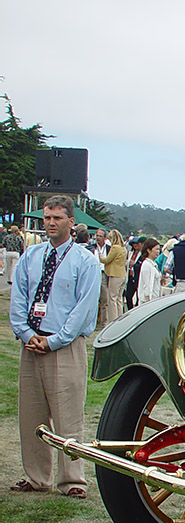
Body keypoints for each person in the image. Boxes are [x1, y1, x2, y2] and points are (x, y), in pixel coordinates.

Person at [8, 195, 101, 498]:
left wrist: (55, 340)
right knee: (31, 417)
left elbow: (84, 309)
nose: (50, 223)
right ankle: (36, 478)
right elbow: (19, 299)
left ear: (71, 222)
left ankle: (72, 481)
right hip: (31, 344)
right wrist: (25, 333)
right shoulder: (31, 256)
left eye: (57, 218)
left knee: (67, 418)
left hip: (65, 347)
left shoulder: (84, 261)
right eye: (47, 217)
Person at [98, 229, 128, 325]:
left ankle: (113, 320)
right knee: (119, 298)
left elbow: (107, 260)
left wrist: (99, 257)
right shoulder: (123, 248)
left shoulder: (115, 248)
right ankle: (120, 318)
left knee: (112, 298)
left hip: (115, 275)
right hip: (123, 274)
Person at [136, 238, 163, 303]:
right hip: (148, 301)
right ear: (148, 250)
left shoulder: (153, 264)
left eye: (159, 249)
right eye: (156, 249)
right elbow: (147, 285)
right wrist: (148, 301)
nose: (158, 251)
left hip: (155, 300)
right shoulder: (146, 265)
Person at [124, 237, 144, 309]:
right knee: (128, 295)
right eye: (133, 244)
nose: (135, 245)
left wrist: (134, 264)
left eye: (137, 243)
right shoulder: (130, 253)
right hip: (130, 275)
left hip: (137, 277)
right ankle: (130, 309)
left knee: (139, 296)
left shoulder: (142, 255)